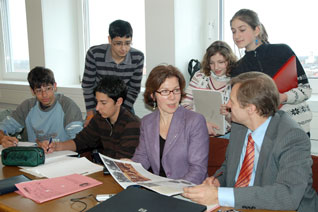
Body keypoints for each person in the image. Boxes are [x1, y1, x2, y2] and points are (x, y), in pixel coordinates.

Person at [183, 72, 318, 211]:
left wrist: (220, 194)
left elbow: (287, 195)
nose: (227, 105)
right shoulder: (240, 126)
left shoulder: (292, 137)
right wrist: (218, 182)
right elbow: (229, 166)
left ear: (251, 109)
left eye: (232, 101)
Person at [230, 8, 312, 136]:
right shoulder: (237, 68)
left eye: (242, 30)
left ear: (256, 30)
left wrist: (283, 97)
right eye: (233, 31)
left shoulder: (282, 51)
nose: (236, 36)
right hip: (262, 133)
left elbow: (306, 90)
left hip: (295, 127)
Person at [130, 65, 209, 185]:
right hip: (159, 189)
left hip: (189, 191)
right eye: (165, 91)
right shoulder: (147, 122)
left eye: (176, 90)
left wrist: (172, 189)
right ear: (153, 95)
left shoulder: (195, 121)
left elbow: (198, 169)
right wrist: (128, 166)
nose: (172, 97)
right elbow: (142, 158)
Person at [42, 75, 140, 159]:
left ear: (119, 102)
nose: (97, 108)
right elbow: (80, 142)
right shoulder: (100, 118)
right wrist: (56, 146)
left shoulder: (132, 125)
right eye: (97, 102)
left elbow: (122, 162)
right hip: (105, 170)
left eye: (103, 103)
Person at [0, 66, 83, 148]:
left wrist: (56, 147)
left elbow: (79, 142)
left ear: (55, 86)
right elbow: (2, 128)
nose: (44, 95)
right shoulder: (27, 107)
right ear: (32, 91)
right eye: (39, 91)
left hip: (64, 157)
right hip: (35, 158)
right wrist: (3, 139)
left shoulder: (68, 106)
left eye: (48, 88)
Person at [82, 19, 144, 126]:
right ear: (109, 39)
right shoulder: (94, 54)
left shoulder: (137, 57)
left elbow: (133, 90)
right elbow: (88, 86)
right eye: (118, 43)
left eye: (128, 43)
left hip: (123, 106)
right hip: (99, 106)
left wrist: (120, 115)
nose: (124, 48)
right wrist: (90, 114)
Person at [181, 41, 237, 137]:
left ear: (229, 61)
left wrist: (228, 115)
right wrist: (202, 123)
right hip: (197, 129)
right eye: (212, 63)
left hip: (225, 136)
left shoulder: (236, 80)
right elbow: (184, 106)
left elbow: (241, 119)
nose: (216, 67)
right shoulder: (200, 76)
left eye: (221, 62)